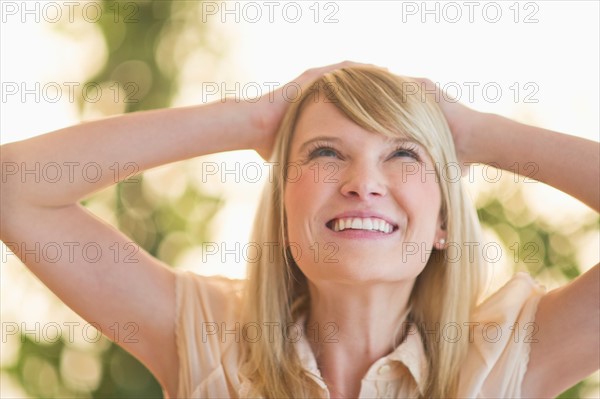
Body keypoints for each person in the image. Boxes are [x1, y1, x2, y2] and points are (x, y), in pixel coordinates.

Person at [1, 61, 598, 398]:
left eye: (404, 157)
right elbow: (14, 188)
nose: (364, 183)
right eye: (325, 154)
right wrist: (254, 118)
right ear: (284, 205)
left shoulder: (505, 362)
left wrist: (478, 135)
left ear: (443, 222)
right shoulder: (208, 341)